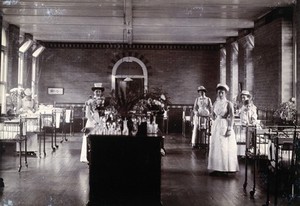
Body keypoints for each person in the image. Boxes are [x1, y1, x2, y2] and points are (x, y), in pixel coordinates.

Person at [208, 83, 239, 175]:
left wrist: (229, 128)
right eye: (219, 92)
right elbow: (213, 115)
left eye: (222, 92)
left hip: (225, 125)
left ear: (225, 93)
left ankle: (225, 168)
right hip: (216, 125)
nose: (220, 94)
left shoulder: (228, 103)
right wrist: (212, 117)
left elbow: (232, 116)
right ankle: (217, 168)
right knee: (216, 146)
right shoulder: (215, 103)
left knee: (224, 146)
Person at [80, 83, 107, 163]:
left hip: (101, 121)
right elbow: (87, 114)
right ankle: (88, 157)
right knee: (90, 138)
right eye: (96, 91)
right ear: (94, 92)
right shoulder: (89, 101)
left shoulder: (104, 101)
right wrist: (94, 121)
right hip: (92, 121)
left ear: (101, 92)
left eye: (99, 91)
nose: (98, 93)